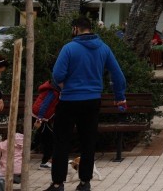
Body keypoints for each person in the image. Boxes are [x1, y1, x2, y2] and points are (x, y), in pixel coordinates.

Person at [44, 16, 126, 191]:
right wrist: (119, 96)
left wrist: (65, 85)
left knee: (61, 142)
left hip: (69, 101)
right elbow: (117, 74)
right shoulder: (104, 48)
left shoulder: (69, 48)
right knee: (88, 142)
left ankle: (58, 183)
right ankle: (84, 183)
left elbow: (57, 74)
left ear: (75, 29)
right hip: (92, 101)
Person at [32, 77, 61, 170]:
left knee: (42, 139)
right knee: (49, 140)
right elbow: (44, 105)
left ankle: (46, 161)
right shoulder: (53, 92)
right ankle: (45, 162)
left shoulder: (55, 90)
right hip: (40, 118)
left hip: (42, 118)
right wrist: (39, 119)